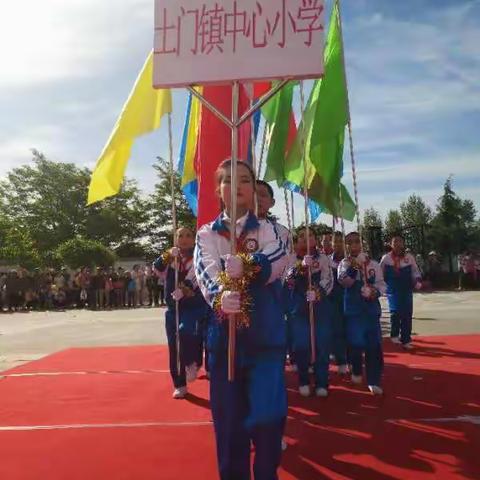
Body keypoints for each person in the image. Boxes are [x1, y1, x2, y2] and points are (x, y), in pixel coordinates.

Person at [194, 159, 288, 480]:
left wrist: (250, 264)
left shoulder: (270, 230)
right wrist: (221, 294)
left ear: (253, 188)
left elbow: (278, 259)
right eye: (229, 181)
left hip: (265, 342)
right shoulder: (207, 234)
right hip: (225, 344)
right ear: (219, 190)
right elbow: (204, 268)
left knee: (267, 422)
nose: (238, 186)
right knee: (230, 427)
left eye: (245, 180)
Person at [154, 227, 208, 399]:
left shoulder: (199, 257)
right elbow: (157, 269)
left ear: (194, 239)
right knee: (174, 346)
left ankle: (194, 361)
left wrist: (185, 289)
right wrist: (168, 255)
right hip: (173, 309)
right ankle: (179, 383)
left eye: (188, 236)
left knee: (187, 332)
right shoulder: (170, 258)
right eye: (180, 236)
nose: (184, 239)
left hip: (193, 306)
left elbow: (199, 278)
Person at [284, 227, 333, 397]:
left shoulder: (324, 258)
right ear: (297, 241)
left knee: (321, 345)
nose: (307, 239)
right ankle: (304, 379)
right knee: (301, 345)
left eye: (310, 235)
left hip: (320, 308)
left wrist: (319, 292)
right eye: (302, 237)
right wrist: (300, 267)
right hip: (298, 308)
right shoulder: (290, 258)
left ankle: (321, 382)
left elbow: (329, 280)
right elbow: (287, 280)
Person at [338, 232, 386, 395]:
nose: (353, 245)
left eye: (357, 242)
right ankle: (356, 368)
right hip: (353, 311)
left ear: (363, 243)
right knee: (355, 343)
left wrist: (374, 292)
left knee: (374, 345)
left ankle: (374, 379)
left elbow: (381, 285)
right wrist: (354, 267)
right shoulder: (344, 264)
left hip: (371, 311)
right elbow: (344, 281)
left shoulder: (373, 264)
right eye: (349, 242)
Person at [380, 235, 422, 349]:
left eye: (400, 241)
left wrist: (417, 280)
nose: (398, 244)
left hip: (406, 288)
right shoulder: (386, 258)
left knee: (407, 313)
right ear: (391, 244)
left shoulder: (409, 257)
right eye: (395, 242)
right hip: (393, 289)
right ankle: (394, 334)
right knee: (396, 311)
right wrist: (381, 287)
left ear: (403, 244)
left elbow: (415, 271)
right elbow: (380, 274)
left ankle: (406, 339)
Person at [325, 231, 349, 375]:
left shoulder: (350, 261)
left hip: (350, 300)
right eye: (336, 241)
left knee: (350, 331)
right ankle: (341, 361)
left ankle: (352, 359)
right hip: (333, 300)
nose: (338, 244)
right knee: (337, 330)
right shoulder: (327, 261)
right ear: (332, 243)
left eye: (341, 241)